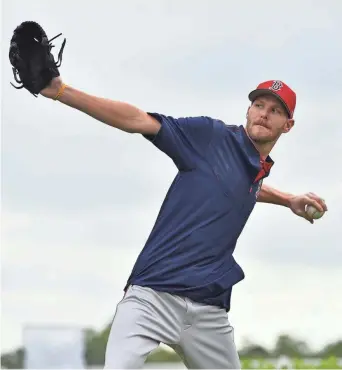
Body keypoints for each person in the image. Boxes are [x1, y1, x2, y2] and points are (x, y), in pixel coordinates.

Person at [40, 78, 327, 369]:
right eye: (259, 105)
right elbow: (140, 120)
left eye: (275, 110)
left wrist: (288, 198)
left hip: (207, 312)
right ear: (248, 110)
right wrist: (60, 92)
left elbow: (242, 186)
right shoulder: (210, 137)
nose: (264, 113)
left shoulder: (255, 168)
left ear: (287, 125)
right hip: (152, 296)